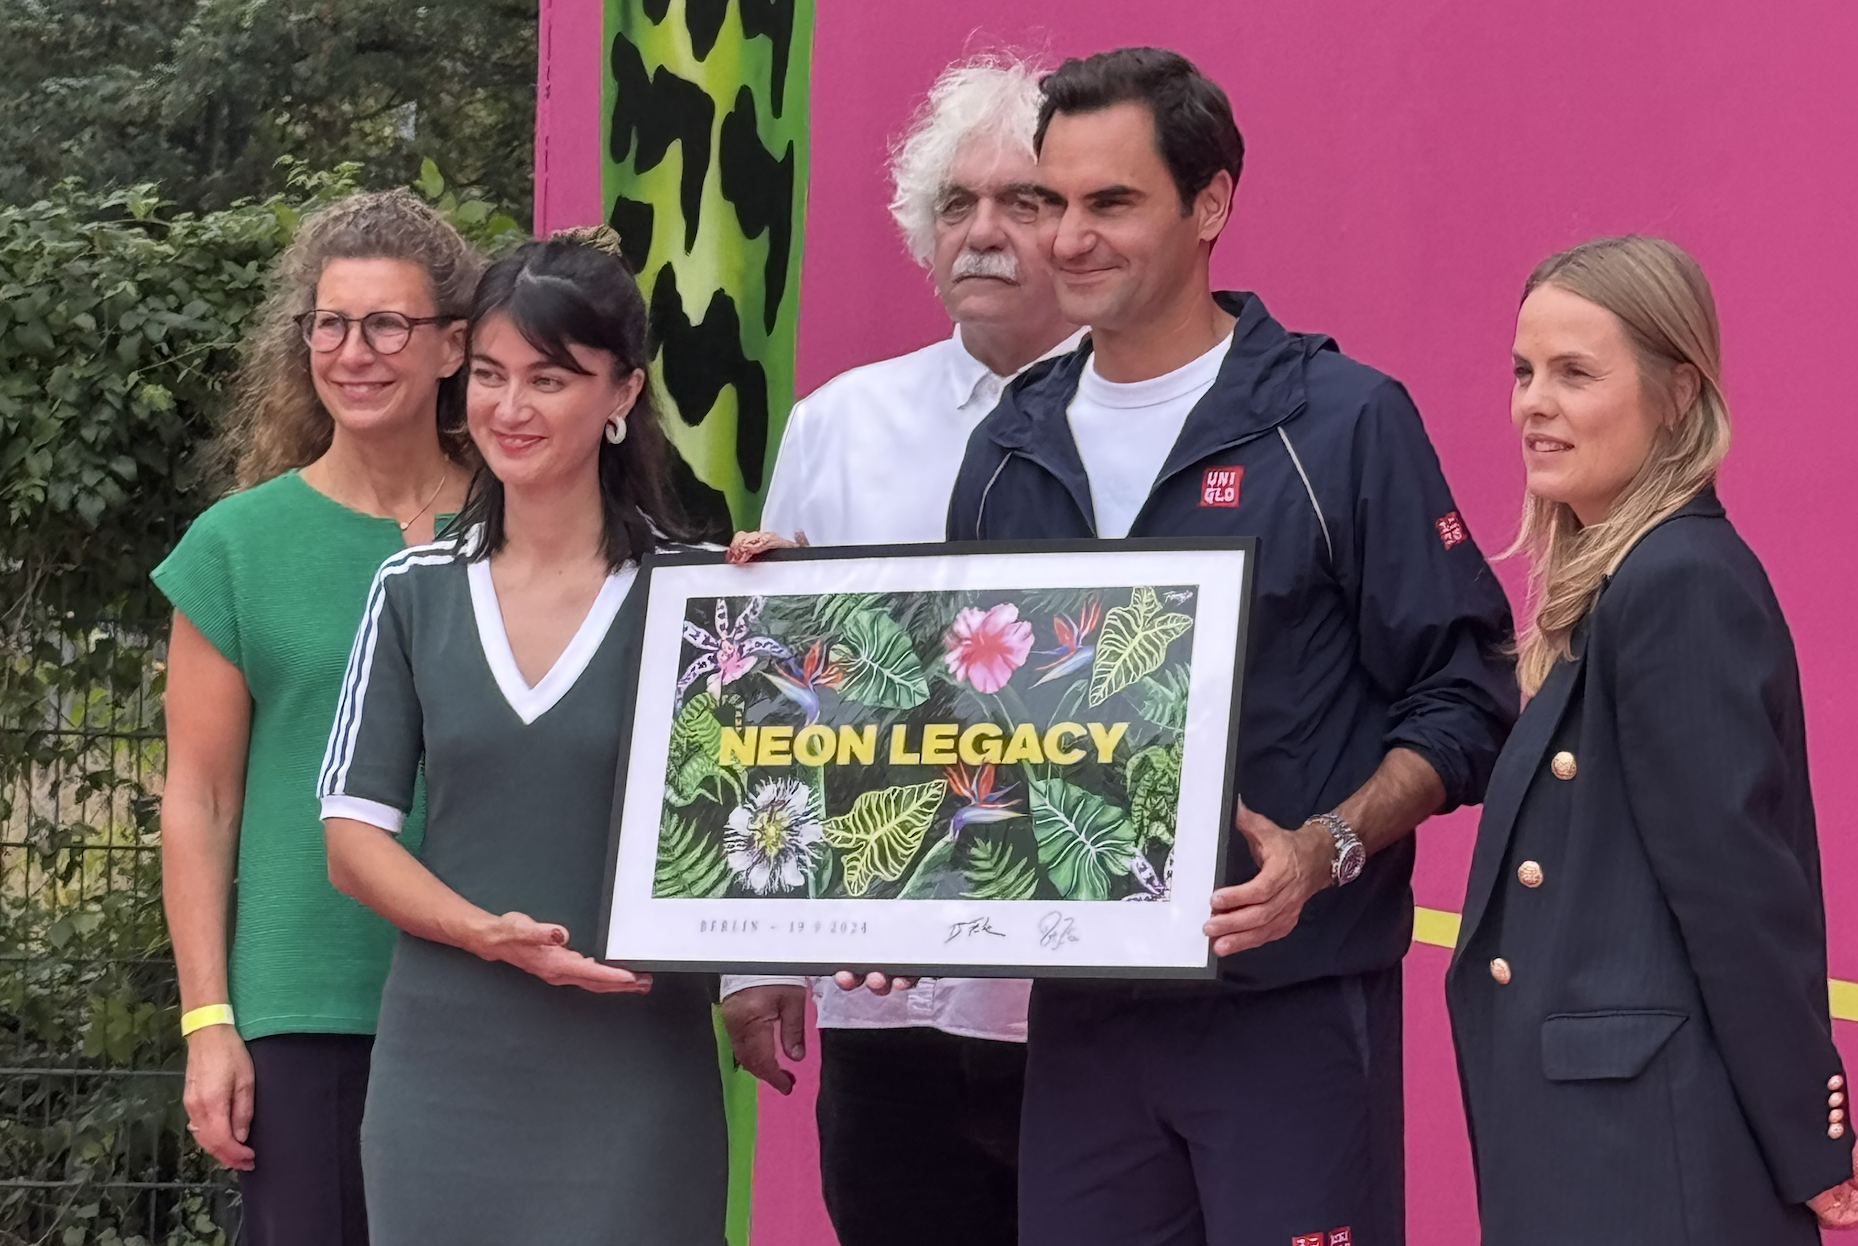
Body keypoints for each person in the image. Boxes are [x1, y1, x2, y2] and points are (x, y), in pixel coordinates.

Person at [944, 48, 1518, 1244]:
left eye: (1112, 202)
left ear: (1210, 205)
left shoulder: (1343, 420)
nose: (1068, 238)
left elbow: (1464, 693)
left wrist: (1329, 847)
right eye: (1053, 203)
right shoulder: (1007, 446)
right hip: (1083, 1019)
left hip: (1289, 1012)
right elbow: (958, 723)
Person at [717, 56, 1082, 1246]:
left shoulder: (1157, 419)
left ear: (1082, 225)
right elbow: (776, 688)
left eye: (1020, 202)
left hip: (1090, 1004)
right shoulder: (838, 422)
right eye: (954, 205)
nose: (981, 232)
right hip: (884, 999)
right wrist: (751, 952)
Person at [314, 230, 725, 1244]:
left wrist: (796, 617)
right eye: (490, 375)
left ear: (623, 393)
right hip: (442, 1072)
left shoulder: (702, 598)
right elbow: (352, 840)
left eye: (550, 378)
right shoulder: (411, 591)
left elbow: (774, 821)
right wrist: (484, 934)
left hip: (636, 1070)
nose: (509, 407)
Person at [1447, 235, 1858, 1242]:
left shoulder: (1678, 583)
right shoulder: (1631, 580)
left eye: (1573, 373)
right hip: (1601, 1138)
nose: (1531, 403)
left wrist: (1812, 1132)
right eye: (1522, 371)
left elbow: (1736, 889)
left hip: (1647, 1153)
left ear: (1676, 394)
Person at [155, 189, 478, 1246]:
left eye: (387, 324)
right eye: (329, 324)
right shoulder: (236, 547)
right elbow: (200, 799)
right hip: (307, 1005)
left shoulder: (533, 526)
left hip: (506, 988)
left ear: (452, 346)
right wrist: (210, 1023)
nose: (353, 351)